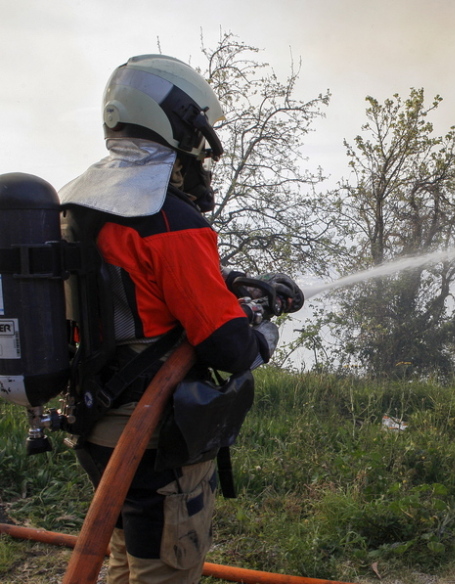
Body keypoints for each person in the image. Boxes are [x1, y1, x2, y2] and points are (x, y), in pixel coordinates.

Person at [58, 54, 301, 584]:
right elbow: (229, 349)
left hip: (96, 427)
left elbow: (139, 293)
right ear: (178, 123)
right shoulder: (168, 219)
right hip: (151, 436)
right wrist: (263, 324)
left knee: (125, 556)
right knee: (163, 568)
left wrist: (229, 284)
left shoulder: (78, 204)